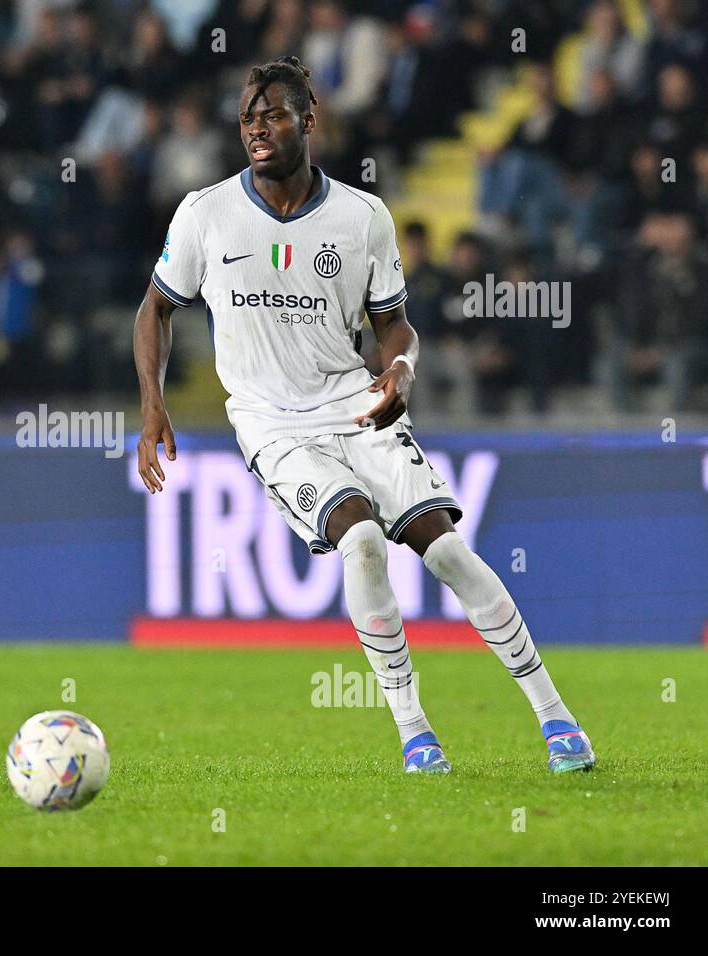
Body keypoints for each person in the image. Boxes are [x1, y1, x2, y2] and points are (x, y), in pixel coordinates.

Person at [132, 56, 595, 775]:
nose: (259, 128)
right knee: (363, 544)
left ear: (309, 120)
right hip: (273, 424)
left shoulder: (362, 217)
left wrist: (401, 370)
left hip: (355, 405)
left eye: (275, 114)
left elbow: (394, 327)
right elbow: (156, 307)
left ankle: (556, 718)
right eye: (249, 117)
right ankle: (416, 733)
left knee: (445, 550)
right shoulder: (204, 213)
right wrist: (154, 403)